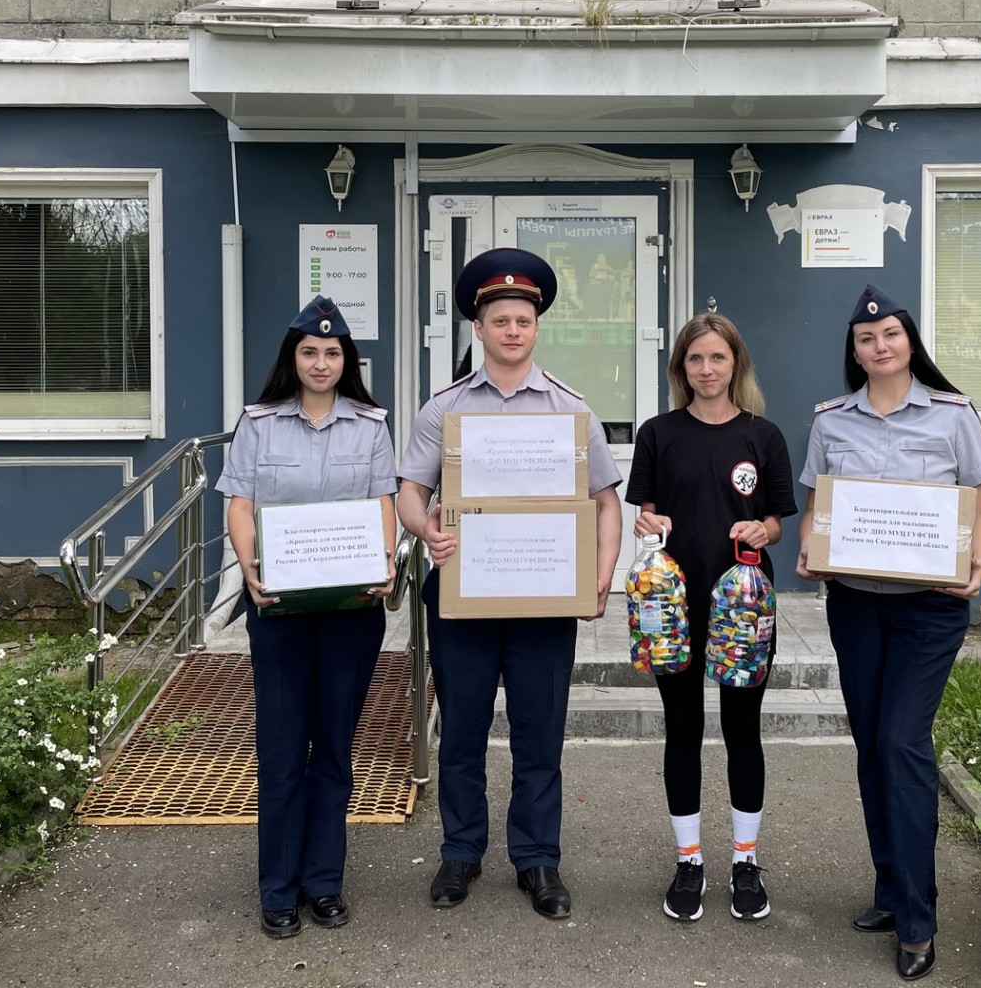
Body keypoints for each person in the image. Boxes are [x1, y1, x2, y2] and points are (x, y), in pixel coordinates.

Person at [396, 248, 623, 921]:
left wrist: (601, 574)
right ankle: (460, 851)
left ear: (537, 326)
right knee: (462, 733)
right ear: (479, 328)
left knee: (539, 735)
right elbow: (409, 493)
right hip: (463, 594)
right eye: (500, 320)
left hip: (544, 598)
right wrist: (426, 530)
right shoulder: (444, 409)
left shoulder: (571, 410)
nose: (513, 331)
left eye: (523, 320)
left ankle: (537, 859)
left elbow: (606, 501)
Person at [795, 284, 981, 982]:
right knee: (871, 748)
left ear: (909, 342)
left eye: (890, 335)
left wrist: (979, 563)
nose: (879, 346)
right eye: (866, 339)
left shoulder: (953, 416)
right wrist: (810, 547)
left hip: (929, 610)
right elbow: (818, 510)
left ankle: (918, 918)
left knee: (901, 744)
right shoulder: (831, 422)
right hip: (855, 606)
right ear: (854, 351)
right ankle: (890, 888)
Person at [216, 296, 398, 940]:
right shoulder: (259, 423)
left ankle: (324, 883)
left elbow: (383, 501)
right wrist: (251, 569)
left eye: (332, 352)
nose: (321, 362)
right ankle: (277, 889)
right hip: (280, 606)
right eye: (310, 352)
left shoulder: (371, 426)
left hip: (350, 609)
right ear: (291, 358)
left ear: (347, 360)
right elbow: (241, 504)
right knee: (282, 748)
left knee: (336, 749)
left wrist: (385, 560)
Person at [626, 312, 796, 924]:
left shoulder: (763, 436)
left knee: (742, 730)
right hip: (673, 606)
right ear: (681, 367)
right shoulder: (658, 433)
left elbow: (777, 520)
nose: (706, 369)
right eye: (695, 359)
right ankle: (689, 860)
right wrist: (649, 522)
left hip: (742, 608)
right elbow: (646, 513)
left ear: (736, 364)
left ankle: (745, 861)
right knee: (682, 730)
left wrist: (764, 530)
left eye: (717, 358)